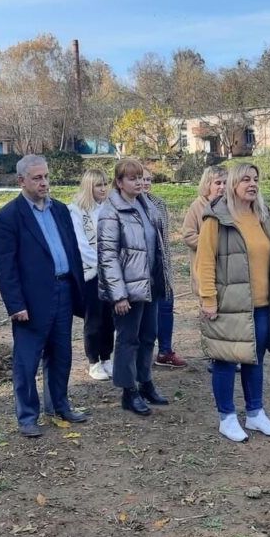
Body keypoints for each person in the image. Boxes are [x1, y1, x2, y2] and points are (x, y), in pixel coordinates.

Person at [0, 155, 89, 437]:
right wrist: (15, 304)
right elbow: (4, 266)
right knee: (27, 359)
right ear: (21, 180)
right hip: (31, 300)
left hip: (64, 290)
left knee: (62, 354)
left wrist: (78, 290)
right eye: (37, 178)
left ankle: (59, 405)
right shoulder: (8, 217)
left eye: (46, 176)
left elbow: (72, 251)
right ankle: (27, 416)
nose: (44, 182)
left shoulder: (59, 210)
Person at [197, 162, 270, 442]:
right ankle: (226, 417)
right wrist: (208, 299)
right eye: (245, 180)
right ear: (232, 185)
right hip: (229, 303)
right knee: (226, 361)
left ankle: (254, 413)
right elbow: (205, 260)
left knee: (255, 360)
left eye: (255, 179)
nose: (252, 184)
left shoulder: (261, 216)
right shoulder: (217, 217)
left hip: (261, 305)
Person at [96, 158, 173, 416]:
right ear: (119, 182)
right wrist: (118, 295)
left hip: (150, 285)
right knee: (128, 340)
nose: (139, 182)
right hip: (127, 290)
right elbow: (107, 256)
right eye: (132, 178)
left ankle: (145, 382)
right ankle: (129, 392)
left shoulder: (147, 205)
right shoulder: (111, 211)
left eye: (141, 177)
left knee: (149, 335)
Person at [68, 168, 114, 381]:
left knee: (110, 317)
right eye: (98, 185)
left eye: (105, 184)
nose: (103, 188)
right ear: (89, 187)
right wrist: (102, 264)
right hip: (92, 273)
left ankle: (107, 357)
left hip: (112, 272)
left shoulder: (111, 208)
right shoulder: (77, 211)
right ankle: (93, 361)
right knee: (93, 318)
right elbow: (81, 244)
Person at [141, 167, 187, 368]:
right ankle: (141, 355)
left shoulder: (159, 203)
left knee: (166, 307)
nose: (146, 183)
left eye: (149, 179)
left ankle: (165, 351)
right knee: (143, 316)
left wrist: (167, 268)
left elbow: (165, 240)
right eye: (142, 179)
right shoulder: (123, 206)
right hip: (140, 271)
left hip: (161, 267)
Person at [181, 165, 228, 295]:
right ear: (208, 184)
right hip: (204, 265)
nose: (222, 187)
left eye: (225, 183)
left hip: (227, 267)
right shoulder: (197, 206)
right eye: (218, 183)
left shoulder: (231, 205)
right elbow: (188, 235)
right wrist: (210, 244)